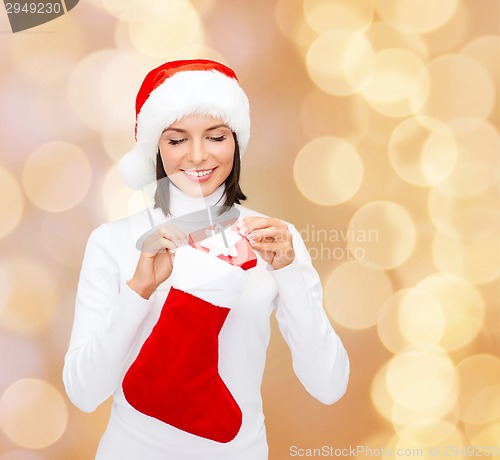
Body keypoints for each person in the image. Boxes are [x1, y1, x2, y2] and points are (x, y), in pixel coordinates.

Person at [63, 59, 349, 460]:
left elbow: (328, 385)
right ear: (156, 148)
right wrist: (138, 290)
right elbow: (83, 392)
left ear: (236, 140)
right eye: (177, 140)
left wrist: (288, 274)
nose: (197, 156)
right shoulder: (113, 241)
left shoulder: (273, 239)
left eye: (215, 136)